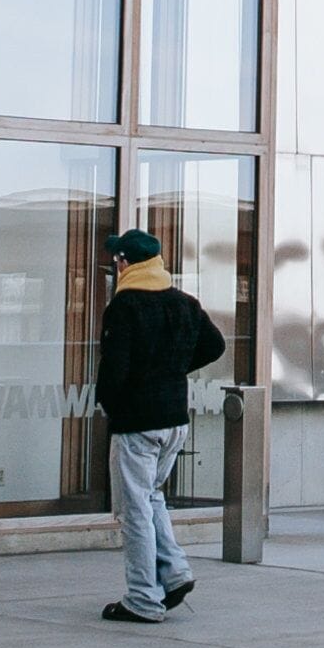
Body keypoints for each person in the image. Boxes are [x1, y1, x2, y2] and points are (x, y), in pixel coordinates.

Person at [95, 226, 225, 623]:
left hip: (138, 422)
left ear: (125, 263)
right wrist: (172, 370)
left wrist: (110, 405)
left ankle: (143, 600)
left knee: (134, 510)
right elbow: (215, 344)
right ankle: (174, 571)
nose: (115, 265)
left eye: (117, 259)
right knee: (152, 497)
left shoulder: (125, 306)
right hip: (174, 419)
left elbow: (114, 370)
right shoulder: (184, 302)